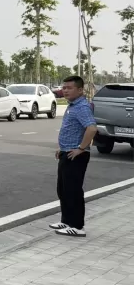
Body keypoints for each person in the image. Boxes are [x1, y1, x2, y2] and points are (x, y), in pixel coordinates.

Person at [50, 75, 98, 237]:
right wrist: (62, 148)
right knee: (63, 190)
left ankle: (77, 226)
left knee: (73, 191)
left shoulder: (82, 107)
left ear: (80, 90)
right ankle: (66, 221)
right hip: (66, 152)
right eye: (64, 88)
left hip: (76, 155)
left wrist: (81, 148)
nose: (65, 91)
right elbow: (72, 129)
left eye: (69, 88)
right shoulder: (72, 105)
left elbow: (92, 128)